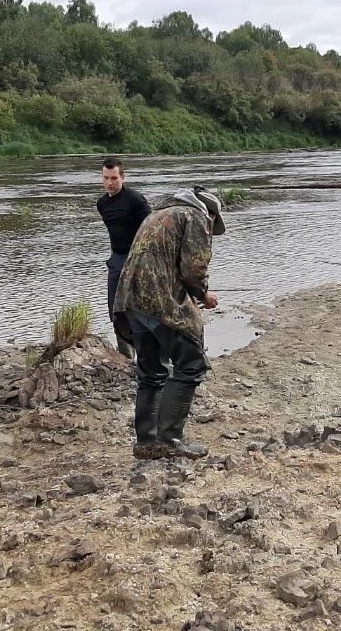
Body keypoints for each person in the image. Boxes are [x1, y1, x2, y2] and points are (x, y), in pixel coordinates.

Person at [114, 186, 225, 460]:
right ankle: (170, 439)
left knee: (151, 372)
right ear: (210, 213)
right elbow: (193, 269)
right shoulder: (196, 217)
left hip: (130, 298)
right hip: (158, 299)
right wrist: (203, 295)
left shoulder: (158, 214)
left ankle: (146, 442)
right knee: (191, 364)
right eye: (214, 222)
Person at [96, 156, 151, 358]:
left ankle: (147, 354)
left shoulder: (136, 200)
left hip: (137, 259)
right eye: (106, 178)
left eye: (114, 178)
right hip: (116, 259)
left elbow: (151, 228)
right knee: (115, 309)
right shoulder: (102, 204)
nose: (110, 183)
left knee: (138, 308)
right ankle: (126, 355)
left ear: (123, 177)